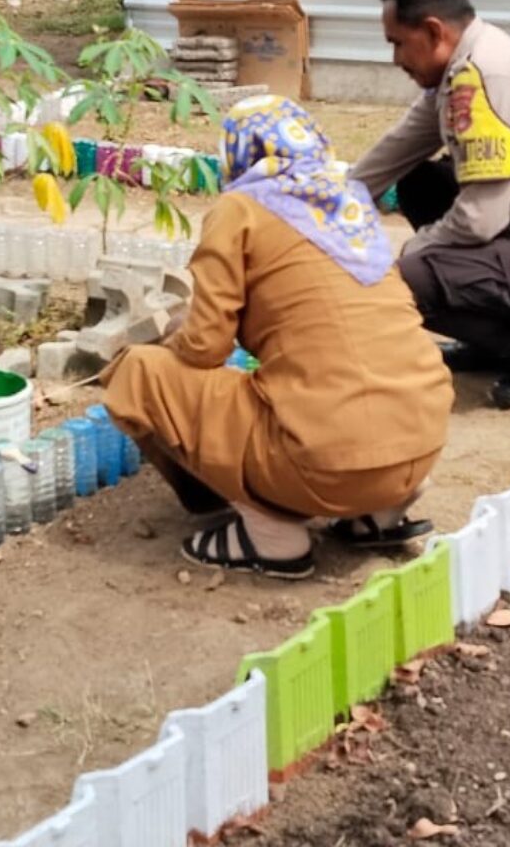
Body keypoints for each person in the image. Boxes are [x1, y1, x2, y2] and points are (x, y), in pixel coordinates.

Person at [100, 96, 453, 578]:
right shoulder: (349, 202)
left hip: (323, 459)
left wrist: (174, 342)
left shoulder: (240, 209)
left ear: (237, 155)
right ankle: (379, 515)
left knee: (138, 372)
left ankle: (266, 526)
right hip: (419, 441)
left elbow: (206, 348)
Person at [352, 0, 510, 409]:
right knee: (417, 181)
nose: (395, 60)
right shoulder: (461, 67)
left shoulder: (484, 77)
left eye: (398, 44)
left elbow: (480, 220)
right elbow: (396, 149)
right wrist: (320, 204)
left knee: (411, 280)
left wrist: (402, 261)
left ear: (434, 31)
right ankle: (496, 342)